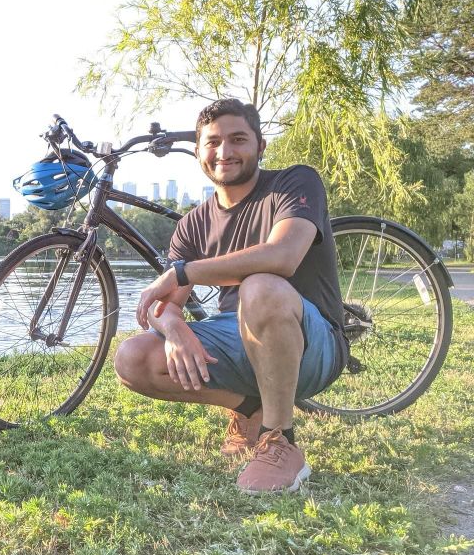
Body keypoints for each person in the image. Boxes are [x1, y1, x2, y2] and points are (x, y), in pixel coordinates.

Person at [113, 99, 347, 494]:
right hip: (236, 335)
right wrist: (174, 328)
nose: (225, 151)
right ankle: (250, 408)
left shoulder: (295, 182)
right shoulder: (193, 223)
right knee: (131, 358)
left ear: (260, 145)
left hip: (311, 341)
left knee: (261, 285)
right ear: (199, 152)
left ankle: (280, 440)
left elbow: (283, 256)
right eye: (213, 142)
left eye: (238, 139)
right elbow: (164, 303)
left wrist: (184, 271)